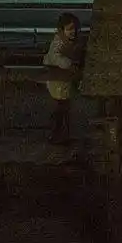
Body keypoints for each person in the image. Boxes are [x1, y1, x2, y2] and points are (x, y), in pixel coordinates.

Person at [42, 12, 83, 145]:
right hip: (57, 80)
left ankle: (63, 134)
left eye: (75, 29)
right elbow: (55, 57)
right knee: (59, 109)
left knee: (65, 108)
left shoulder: (69, 42)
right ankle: (56, 134)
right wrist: (69, 64)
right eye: (70, 29)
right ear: (61, 30)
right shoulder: (58, 42)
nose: (73, 32)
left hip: (64, 81)